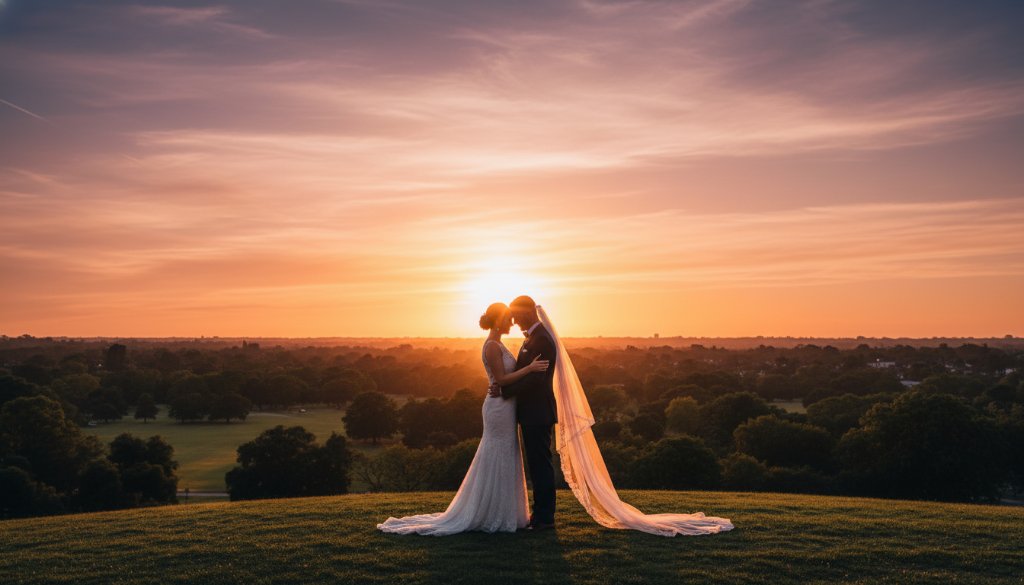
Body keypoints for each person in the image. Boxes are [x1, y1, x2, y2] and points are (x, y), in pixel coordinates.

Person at [376, 302, 548, 535]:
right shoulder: (492, 346)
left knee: (507, 454)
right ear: (498, 320)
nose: (512, 322)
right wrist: (529, 369)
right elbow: (501, 380)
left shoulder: (498, 344)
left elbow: (503, 380)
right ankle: (490, 512)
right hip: (498, 408)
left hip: (506, 406)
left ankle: (503, 511)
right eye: (508, 318)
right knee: (497, 453)